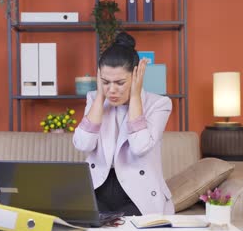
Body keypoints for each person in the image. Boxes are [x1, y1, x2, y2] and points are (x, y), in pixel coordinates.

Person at [73, 32, 174, 216]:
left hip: (138, 191)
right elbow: (83, 144)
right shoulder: (95, 99)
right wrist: (99, 97)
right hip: (99, 187)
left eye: (120, 82)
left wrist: (135, 96)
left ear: (136, 76)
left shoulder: (159, 104)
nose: (112, 90)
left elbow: (140, 146)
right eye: (105, 82)